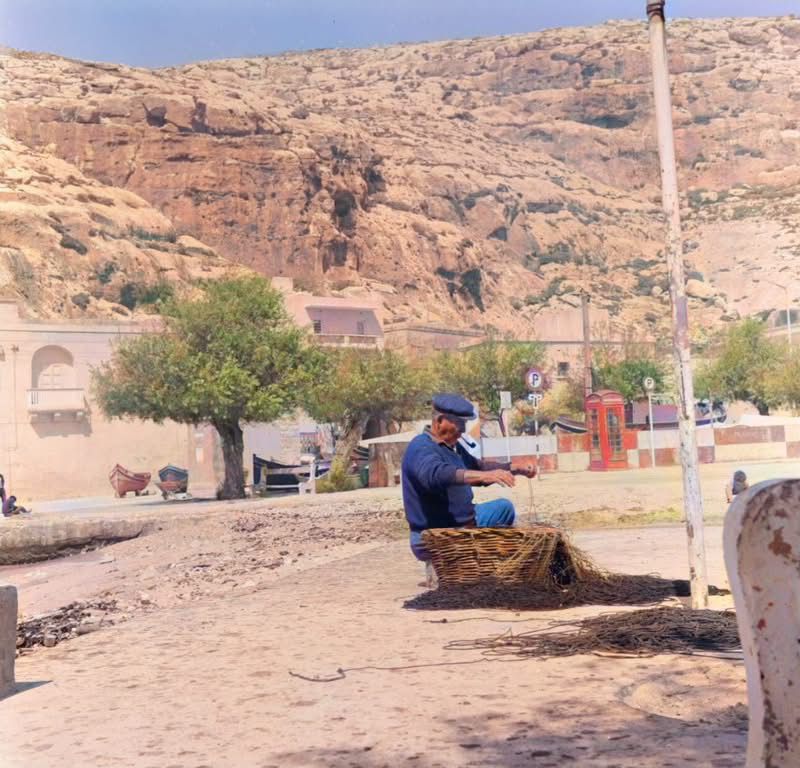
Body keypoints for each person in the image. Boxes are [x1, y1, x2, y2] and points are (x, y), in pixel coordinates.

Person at [401, 393, 536, 570]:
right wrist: (484, 476)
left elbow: (477, 468)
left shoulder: (454, 447)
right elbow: (436, 475)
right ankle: (455, 565)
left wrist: (513, 468)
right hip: (435, 533)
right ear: (440, 421)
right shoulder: (420, 448)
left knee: (504, 508)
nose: (463, 430)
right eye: (459, 424)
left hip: (466, 522)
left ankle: (481, 560)